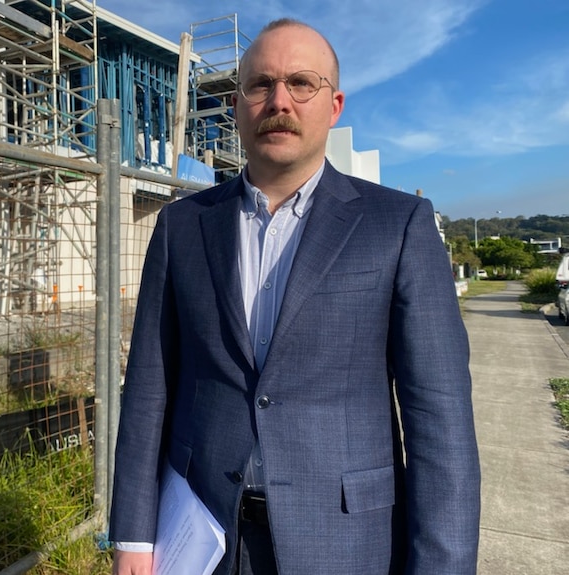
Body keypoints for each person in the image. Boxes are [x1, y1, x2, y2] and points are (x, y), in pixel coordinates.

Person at [108, 17, 481, 575]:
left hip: (349, 542)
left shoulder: (397, 225)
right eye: (260, 84)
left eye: (301, 83)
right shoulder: (182, 227)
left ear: (333, 106)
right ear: (236, 106)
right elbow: (148, 389)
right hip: (204, 539)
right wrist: (133, 538)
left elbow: (439, 418)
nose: (278, 100)